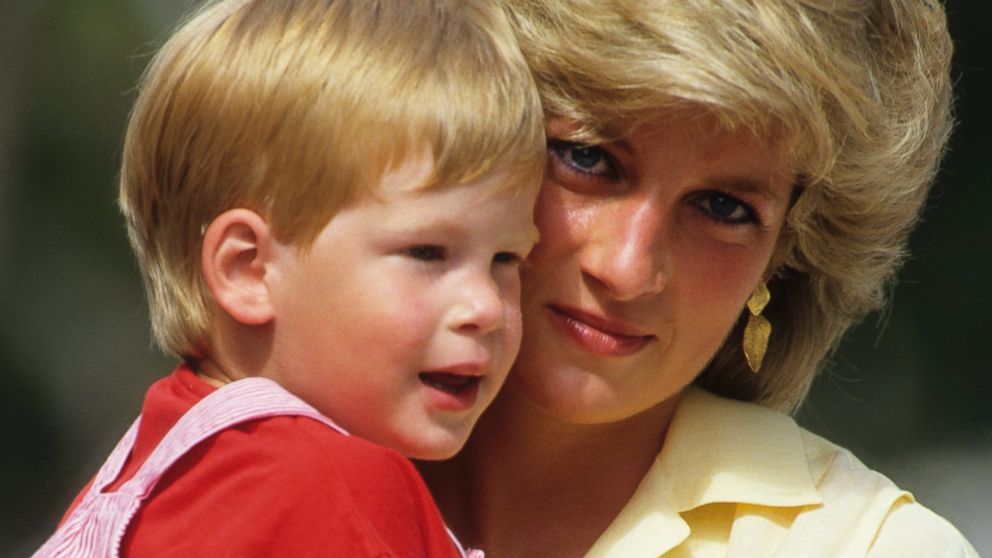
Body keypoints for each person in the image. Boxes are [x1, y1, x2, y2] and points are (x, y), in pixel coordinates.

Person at [419, 0, 979, 556]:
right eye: (587, 158)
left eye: (720, 206)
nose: (626, 270)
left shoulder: (871, 548)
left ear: (785, 258)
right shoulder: (333, 434)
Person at [34, 0, 543, 556]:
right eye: (427, 252)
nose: (486, 307)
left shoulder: (148, 476)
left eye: (507, 260)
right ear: (248, 269)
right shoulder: (330, 488)